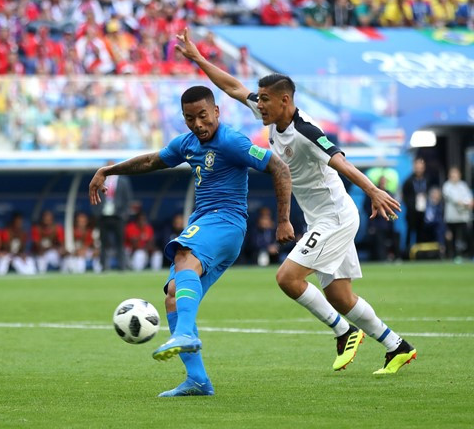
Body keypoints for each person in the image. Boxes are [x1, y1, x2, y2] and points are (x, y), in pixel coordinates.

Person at [175, 27, 416, 375]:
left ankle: (344, 331)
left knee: (287, 278)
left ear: (284, 100)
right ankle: (398, 347)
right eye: (258, 98)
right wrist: (197, 58)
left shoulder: (306, 132)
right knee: (340, 297)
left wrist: (373, 191)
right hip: (323, 218)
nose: (259, 104)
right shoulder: (269, 115)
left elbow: (341, 161)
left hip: (334, 217)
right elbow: (230, 87)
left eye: (265, 99)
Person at [89, 85, 294, 397]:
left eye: (202, 116)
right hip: (206, 222)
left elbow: (279, 167)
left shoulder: (232, 141)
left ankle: (184, 333)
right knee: (172, 294)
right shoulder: (186, 144)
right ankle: (197, 380)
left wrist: (283, 219)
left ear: (216, 112)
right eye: (189, 118)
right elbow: (149, 162)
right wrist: (109, 170)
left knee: (183, 254)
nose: (198, 124)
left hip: (226, 220)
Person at [91, 160, 133, 271]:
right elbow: (94, 194)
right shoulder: (100, 180)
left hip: (118, 216)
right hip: (103, 216)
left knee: (120, 242)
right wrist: (97, 212)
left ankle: (122, 266)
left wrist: (124, 214)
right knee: (104, 243)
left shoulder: (123, 181)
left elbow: (127, 198)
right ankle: (104, 266)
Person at [402, 157, 430, 258]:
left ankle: (420, 254)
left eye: (421, 167)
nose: (419, 169)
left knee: (421, 232)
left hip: (423, 210)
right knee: (410, 231)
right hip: (411, 211)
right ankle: (407, 254)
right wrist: (409, 204)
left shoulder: (427, 179)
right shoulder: (409, 181)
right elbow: (404, 195)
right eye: (417, 167)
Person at [442, 167, 473, 260]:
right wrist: (465, 203)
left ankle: (468, 254)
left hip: (463, 217)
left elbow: (469, 197)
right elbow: (455, 199)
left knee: (466, 235)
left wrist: (470, 202)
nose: (454, 176)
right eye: (452, 174)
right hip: (451, 218)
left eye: (456, 174)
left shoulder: (463, 185)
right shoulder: (446, 186)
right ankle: (453, 255)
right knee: (452, 237)